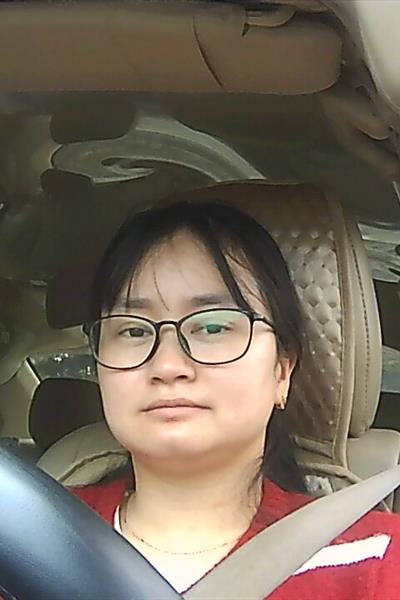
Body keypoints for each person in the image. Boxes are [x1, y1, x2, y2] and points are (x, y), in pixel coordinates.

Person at [73, 199, 400, 598]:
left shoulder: (377, 559)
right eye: (134, 331)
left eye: (213, 327)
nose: (168, 365)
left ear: (282, 371)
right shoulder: (28, 536)